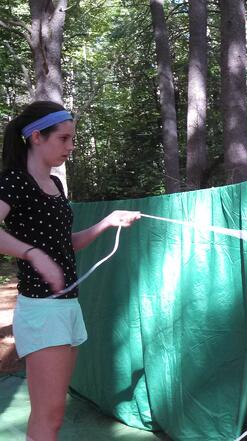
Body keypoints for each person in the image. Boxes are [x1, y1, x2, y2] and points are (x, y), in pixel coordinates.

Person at [0, 101, 141, 441]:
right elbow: (35, 249)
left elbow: (66, 244)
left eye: (73, 139)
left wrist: (108, 222)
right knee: (49, 417)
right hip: (42, 310)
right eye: (63, 139)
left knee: (52, 415)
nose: (71, 146)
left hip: (67, 307)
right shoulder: (14, 182)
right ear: (36, 137)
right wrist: (32, 254)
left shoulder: (55, 184)